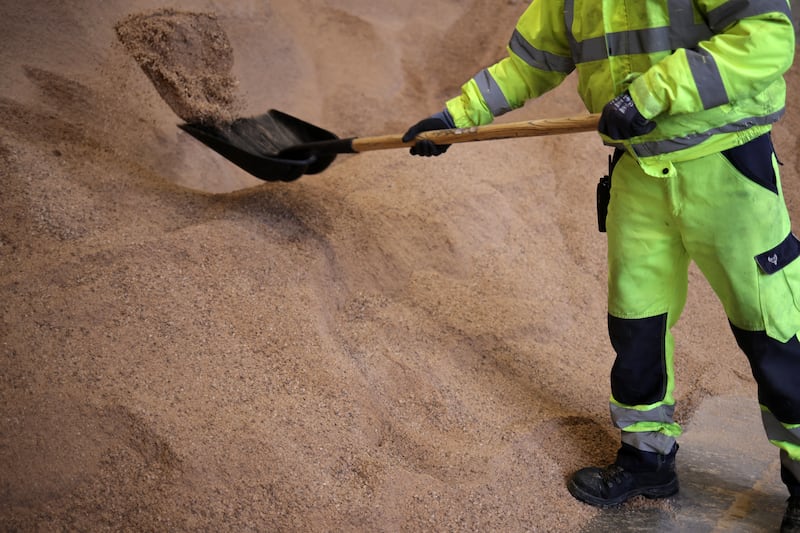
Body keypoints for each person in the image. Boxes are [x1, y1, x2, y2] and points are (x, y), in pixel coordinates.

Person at [403, 0, 799, 530]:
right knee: (637, 323)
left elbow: (768, 37)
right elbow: (530, 64)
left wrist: (650, 94)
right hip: (637, 171)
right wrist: (457, 117)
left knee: (772, 328)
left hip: (728, 166)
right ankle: (646, 459)